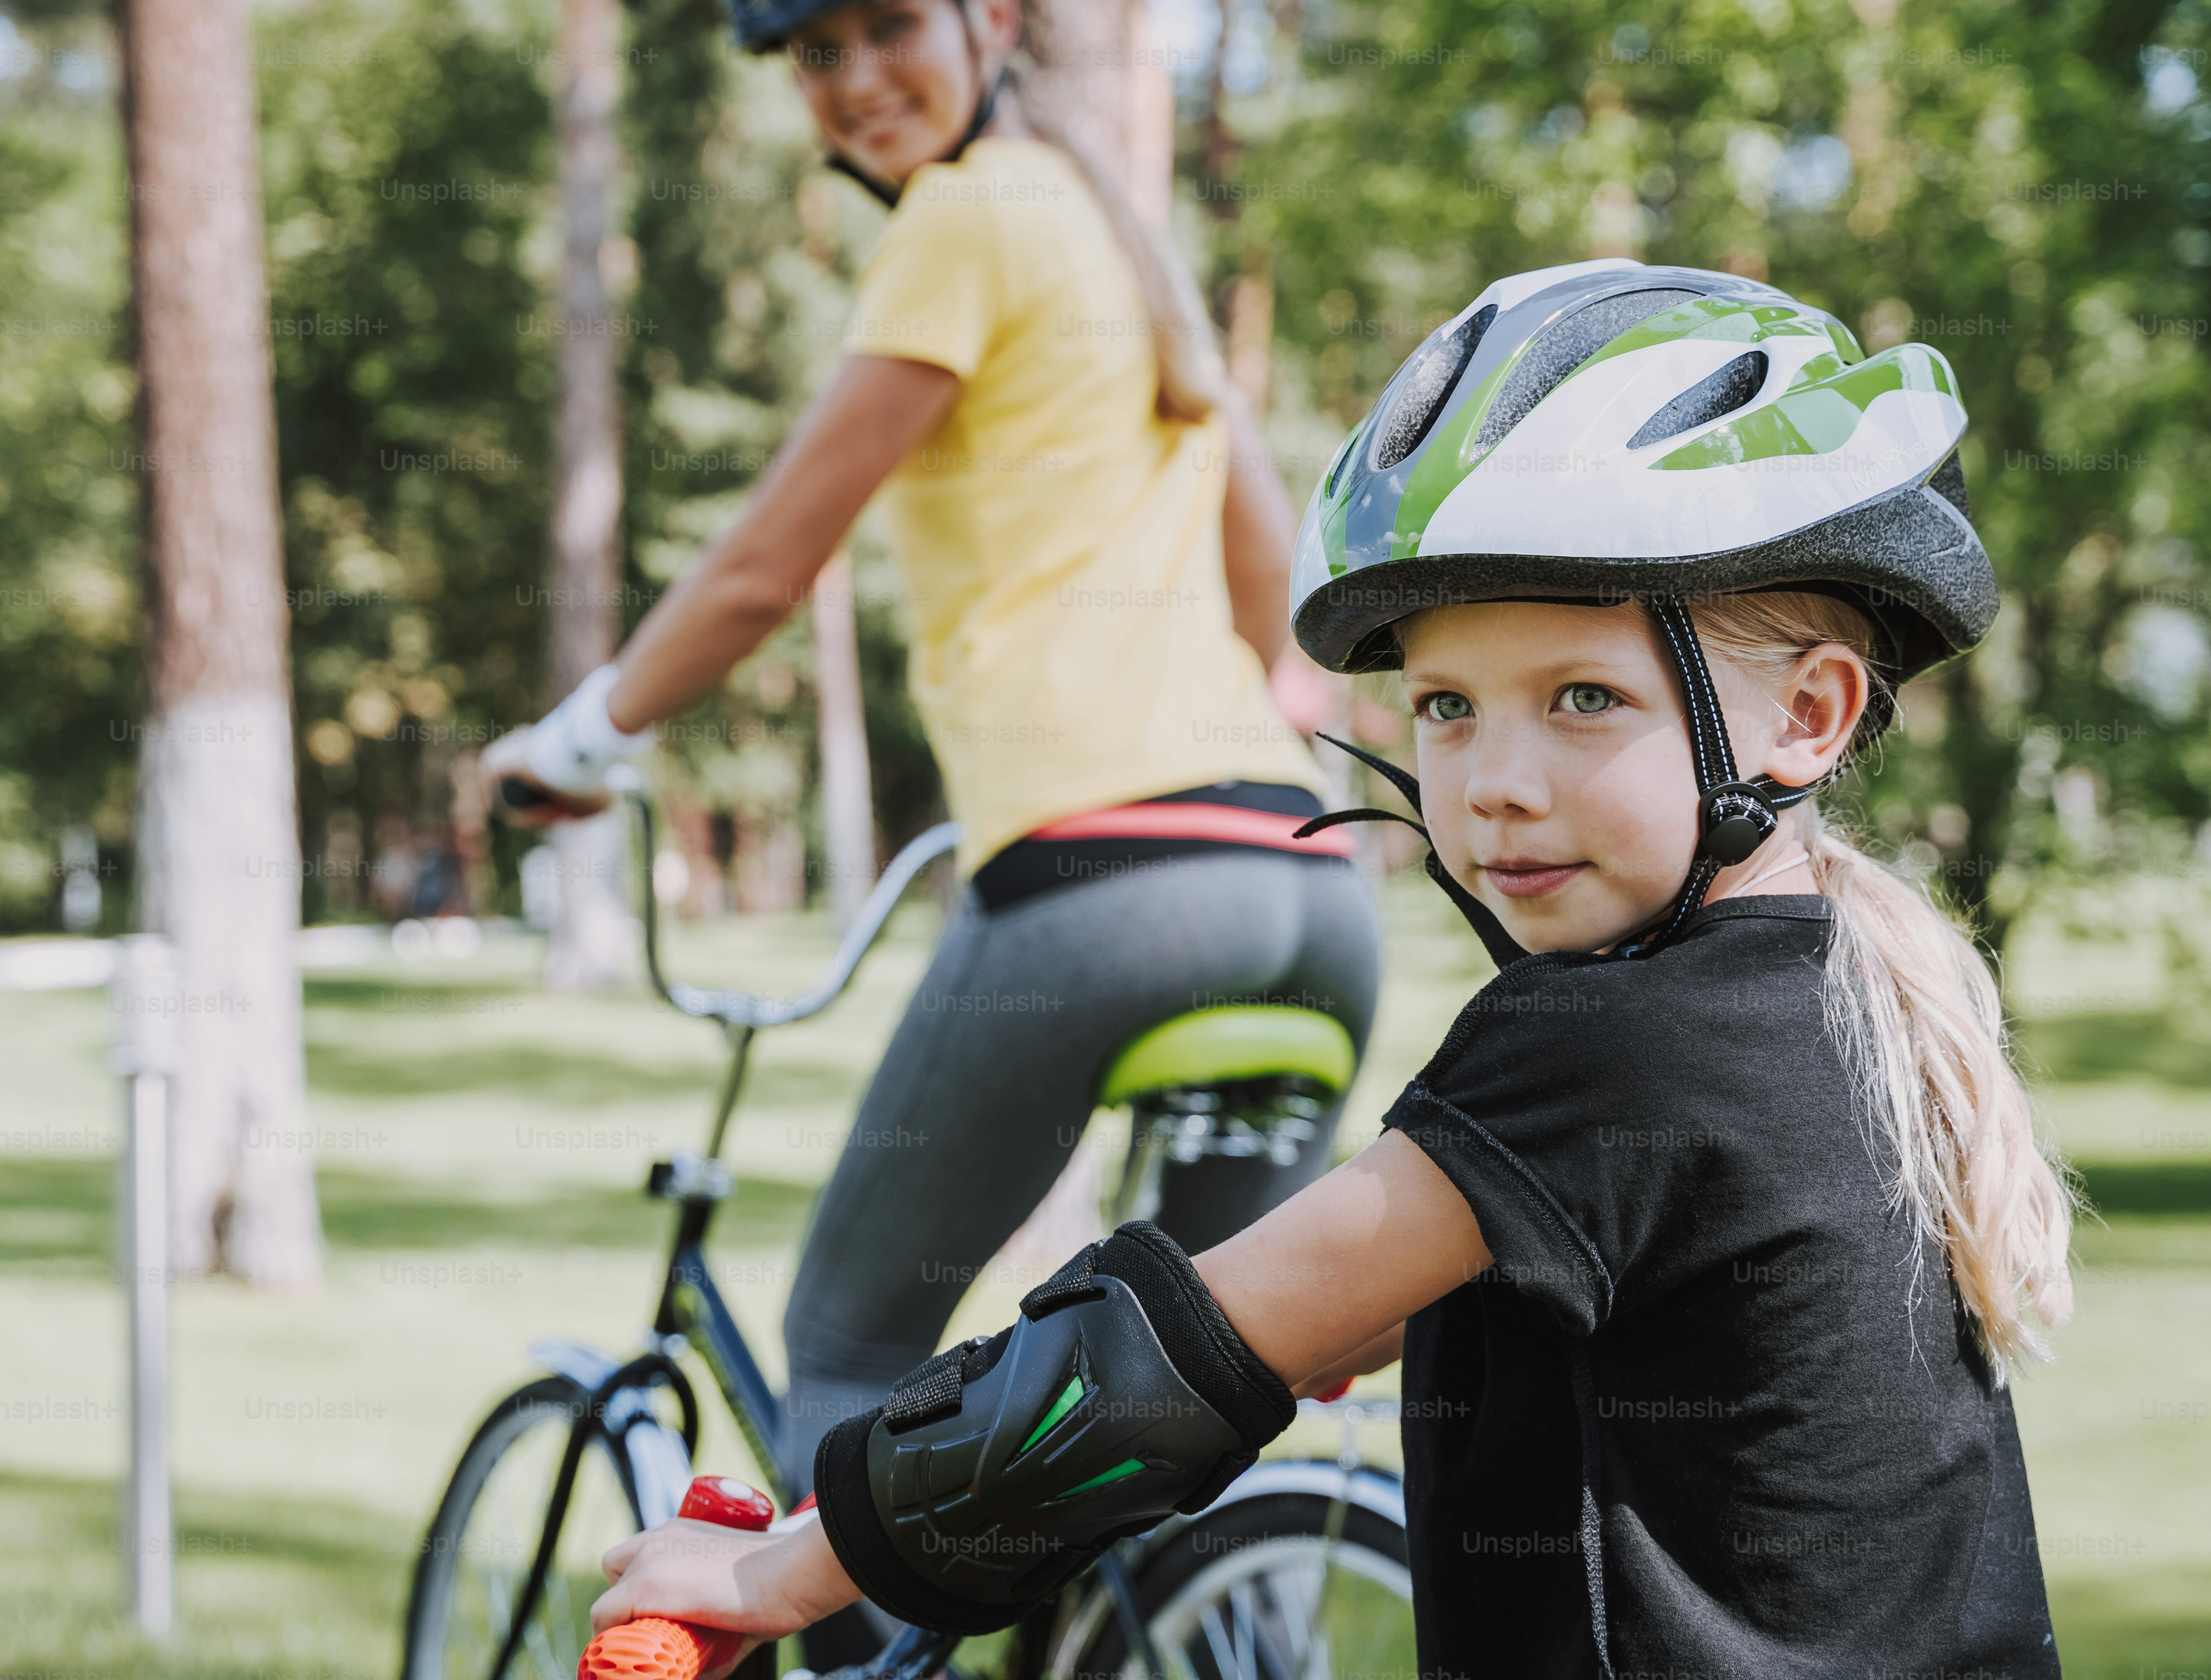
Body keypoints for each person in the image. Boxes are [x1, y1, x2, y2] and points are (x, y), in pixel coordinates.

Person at [585, 261, 2077, 1675]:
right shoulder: (1827, 1000)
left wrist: (779, 1573)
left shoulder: (1616, 1043)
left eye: (1581, 697)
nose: (1494, 784)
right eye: (1445, 706)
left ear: (1809, 716)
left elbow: (1154, 1369)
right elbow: (1342, 1311)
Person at [485, 0, 1381, 1657]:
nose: (858, 80)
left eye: (891, 26)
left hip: (1105, 883)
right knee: (1209, 1392)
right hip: (1308, 889)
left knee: (854, 1346)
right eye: (816, 54)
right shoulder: (1121, 240)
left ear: (993, 13)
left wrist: (580, 744)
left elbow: (767, 562)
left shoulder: (967, 219)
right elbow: (1274, 590)